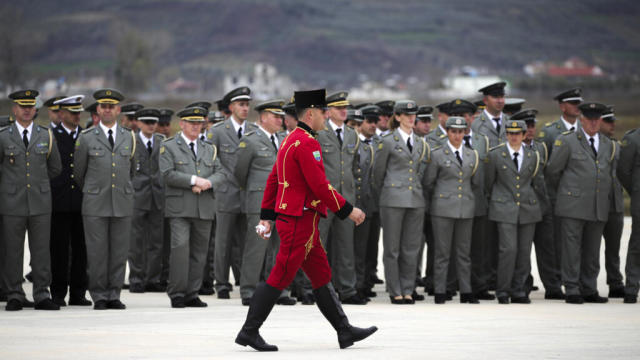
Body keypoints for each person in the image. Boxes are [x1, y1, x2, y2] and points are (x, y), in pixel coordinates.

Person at [235, 89, 376, 352]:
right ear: (310, 114)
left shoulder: (290, 139)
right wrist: (348, 210)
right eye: (323, 112)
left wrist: (267, 216)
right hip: (299, 221)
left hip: (303, 221)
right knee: (280, 275)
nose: (326, 116)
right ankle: (249, 331)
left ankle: (344, 330)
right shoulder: (307, 143)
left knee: (321, 275)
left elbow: (274, 181)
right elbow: (320, 185)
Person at [545, 102, 614, 304]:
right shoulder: (567, 141)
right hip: (572, 205)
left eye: (596, 119)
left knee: (592, 250)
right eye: (589, 119)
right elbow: (553, 172)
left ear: (600, 120)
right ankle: (573, 288)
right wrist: (569, 192)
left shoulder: (607, 143)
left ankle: (589, 288)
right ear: (581, 120)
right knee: (571, 249)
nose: (593, 123)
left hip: (597, 205)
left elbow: (609, 172)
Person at [73, 88, 135, 310]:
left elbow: (131, 170)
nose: (107, 110)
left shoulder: (129, 137)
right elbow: (79, 173)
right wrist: (95, 189)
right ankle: (99, 294)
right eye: (104, 106)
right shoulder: (87, 137)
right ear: (98, 110)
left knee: (119, 252)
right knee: (97, 252)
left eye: (112, 107)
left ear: (118, 110)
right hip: (95, 203)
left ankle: (114, 294)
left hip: (122, 201)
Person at [2, 89, 62, 311]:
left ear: (35, 109)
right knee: (13, 251)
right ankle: (14, 293)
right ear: (14, 109)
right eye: (22, 106)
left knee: (41, 251)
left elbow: (55, 167)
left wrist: (38, 182)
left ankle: (41, 294)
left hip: (40, 201)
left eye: (30, 106)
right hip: (12, 202)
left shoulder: (45, 135)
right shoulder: (3, 136)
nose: (26, 110)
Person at [159, 106, 225, 308]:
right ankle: (177, 292)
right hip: (180, 208)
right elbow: (167, 174)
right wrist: (194, 180)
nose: (197, 127)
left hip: (203, 207)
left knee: (199, 252)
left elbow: (221, 172)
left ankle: (192, 293)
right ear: (182, 124)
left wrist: (208, 183)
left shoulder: (209, 148)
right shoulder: (169, 146)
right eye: (192, 123)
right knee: (179, 249)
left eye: (199, 123)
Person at [234, 100, 295, 306]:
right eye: (275, 116)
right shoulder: (250, 140)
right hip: (260, 203)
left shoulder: (284, 139)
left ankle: (279, 291)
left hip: (283, 204)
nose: (280, 120)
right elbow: (240, 173)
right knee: (256, 248)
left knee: (281, 250)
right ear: (262, 117)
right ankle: (249, 291)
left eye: (281, 116)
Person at [373, 100, 430, 304]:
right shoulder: (388, 141)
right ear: (397, 117)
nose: (411, 117)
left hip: (415, 199)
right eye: (406, 114)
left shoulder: (421, 142)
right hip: (392, 199)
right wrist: (387, 192)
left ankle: (408, 288)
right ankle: (395, 289)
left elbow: (421, 172)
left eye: (413, 114)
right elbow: (377, 173)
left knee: (411, 247)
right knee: (392, 248)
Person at [315, 91, 366, 304]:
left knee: (346, 246)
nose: (344, 111)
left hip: (346, 199)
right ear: (328, 112)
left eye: (345, 107)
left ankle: (347, 289)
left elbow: (354, 168)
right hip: (325, 199)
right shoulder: (319, 133)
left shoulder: (353, 134)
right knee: (319, 246)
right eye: (338, 108)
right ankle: (316, 289)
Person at [208, 86, 258, 298]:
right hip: (226, 194)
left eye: (247, 105)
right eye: (241, 105)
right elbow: (210, 161)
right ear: (231, 107)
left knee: (247, 242)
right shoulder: (218, 131)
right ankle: (221, 283)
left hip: (247, 195)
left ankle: (245, 281)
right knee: (223, 242)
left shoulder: (254, 131)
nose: (245, 108)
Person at [484, 120, 542, 304]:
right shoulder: (495, 155)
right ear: (506, 134)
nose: (514, 136)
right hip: (504, 207)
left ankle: (519, 290)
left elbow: (536, 181)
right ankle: (503, 290)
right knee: (508, 249)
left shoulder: (534, 155)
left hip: (527, 207)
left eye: (518, 133)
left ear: (525, 135)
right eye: (510, 133)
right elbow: (488, 183)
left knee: (524, 251)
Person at [424, 116, 479, 304]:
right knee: (442, 252)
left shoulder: (472, 154)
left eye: (460, 132)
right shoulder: (438, 154)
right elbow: (429, 182)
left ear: (465, 133)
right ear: (447, 132)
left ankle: (466, 291)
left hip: (465, 208)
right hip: (443, 208)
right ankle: (440, 290)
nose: (457, 135)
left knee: (464, 252)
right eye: (453, 131)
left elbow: (476, 182)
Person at [514, 109, 564, 300]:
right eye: (527, 126)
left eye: (533, 125)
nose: (531, 130)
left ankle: (553, 286)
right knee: (523, 250)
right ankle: (523, 284)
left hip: (542, 205)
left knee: (548, 249)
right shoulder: (510, 149)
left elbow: (548, 175)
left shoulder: (541, 147)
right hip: (522, 206)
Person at [449, 99, 494, 301]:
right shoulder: (447, 141)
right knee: (452, 247)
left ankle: (478, 284)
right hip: (453, 202)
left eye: (468, 115)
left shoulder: (482, 140)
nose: (465, 119)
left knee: (479, 247)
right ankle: (450, 284)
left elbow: (487, 172)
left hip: (477, 200)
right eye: (460, 115)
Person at [49, 95, 91, 307]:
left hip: (83, 200)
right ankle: (57, 292)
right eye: (72, 112)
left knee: (81, 250)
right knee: (58, 249)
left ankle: (78, 292)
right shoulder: (51, 136)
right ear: (62, 114)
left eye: (79, 112)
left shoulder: (87, 136)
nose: (77, 116)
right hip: (59, 200)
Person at [128, 108, 166, 293]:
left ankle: (153, 278)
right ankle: (136, 278)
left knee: (156, 241)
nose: (151, 126)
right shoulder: (131, 141)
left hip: (158, 196)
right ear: (139, 123)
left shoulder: (162, 141)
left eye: (154, 122)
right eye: (147, 122)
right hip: (137, 196)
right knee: (136, 241)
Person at [599, 106, 626, 298]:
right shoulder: (590, 145)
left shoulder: (617, 145)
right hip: (594, 203)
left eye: (613, 121)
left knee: (614, 248)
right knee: (589, 249)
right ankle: (586, 282)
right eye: (608, 121)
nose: (613, 125)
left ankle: (615, 281)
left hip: (615, 203)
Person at [618, 120, 640, 304]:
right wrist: (636, 190)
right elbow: (623, 171)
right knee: (637, 244)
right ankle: (632, 288)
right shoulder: (633, 139)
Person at [472, 82, 508, 147]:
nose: (500, 101)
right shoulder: (475, 124)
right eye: (495, 97)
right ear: (485, 100)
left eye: (502, 97)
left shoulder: (510, 121)